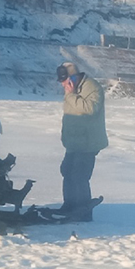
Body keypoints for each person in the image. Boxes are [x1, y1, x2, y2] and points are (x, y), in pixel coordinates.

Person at [55, 61, 107, 221]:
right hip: (74, 142)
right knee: (67, 171)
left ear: (73, 77)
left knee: (80, 176)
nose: (63, 84)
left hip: (87, 142)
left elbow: (89, 109)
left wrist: (71, 95)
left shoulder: (92, 88)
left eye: (64, 80)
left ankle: (83, 212)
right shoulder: (72, 89)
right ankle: (69, 205)